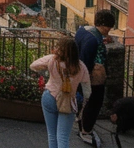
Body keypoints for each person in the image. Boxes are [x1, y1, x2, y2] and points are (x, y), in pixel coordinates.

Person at [31, 39, 91, 148]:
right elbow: (87, 91)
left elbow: (33, 65)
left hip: (49, 96)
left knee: (52, 134)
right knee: (62, 136)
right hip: (68, 101)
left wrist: (46, 71)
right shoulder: (81, 67)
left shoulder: (52, 60)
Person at [74, 9, 115, 146]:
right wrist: (87, 80)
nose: (109, 30)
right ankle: (86, 131)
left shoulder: (83, 31)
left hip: (83, 76)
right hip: (93, 80)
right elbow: (86, 61)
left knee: (85, 104)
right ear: (103, 24)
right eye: (108, 27)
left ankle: (82, 126)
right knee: (93, 104)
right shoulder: (93, 40)